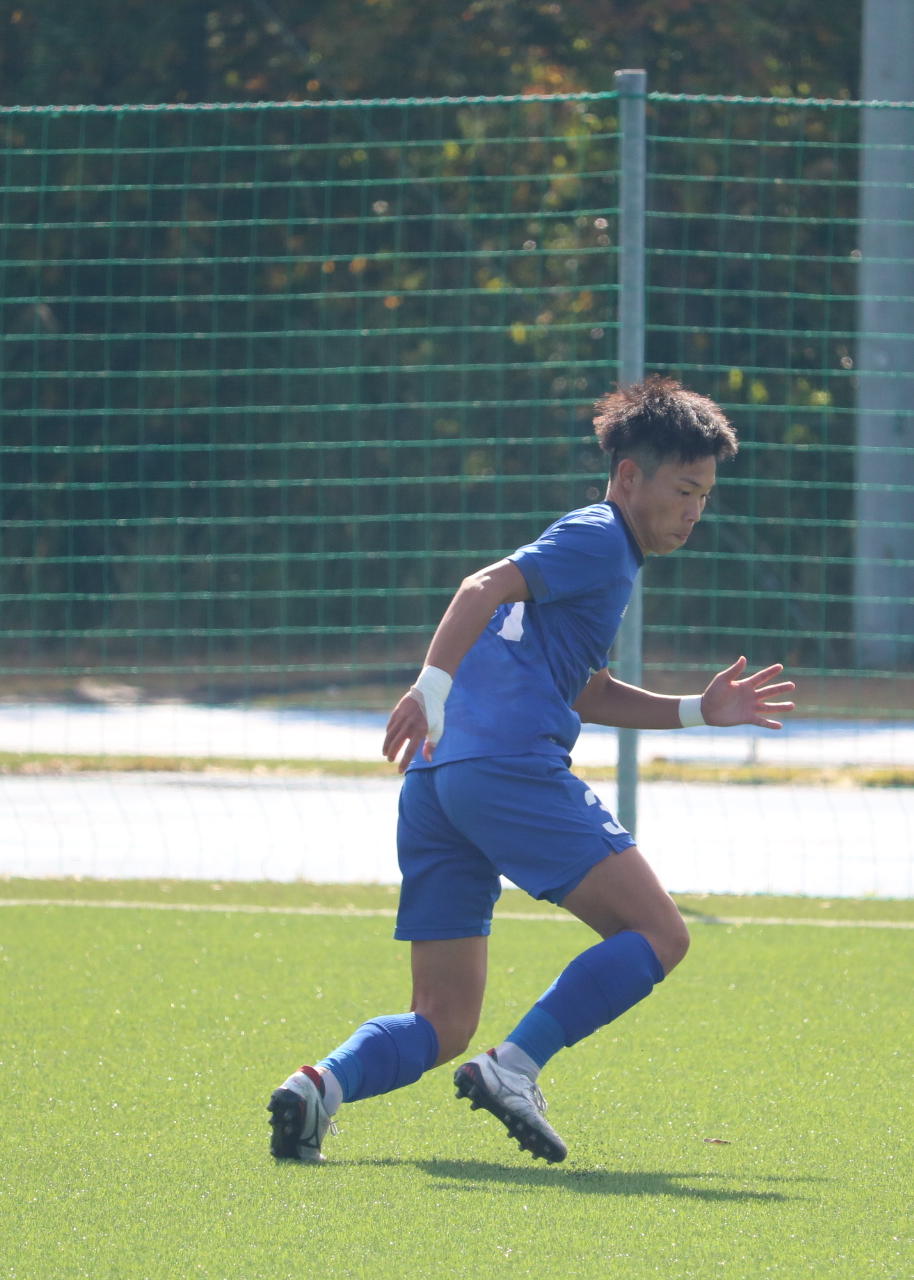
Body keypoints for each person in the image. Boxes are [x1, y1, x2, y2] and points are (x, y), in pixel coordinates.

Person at [267, 377, 795, 1164]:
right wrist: (429, 687)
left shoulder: (596, 555)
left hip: (439, 782)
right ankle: (514, 1067)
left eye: (705, 496)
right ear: (629, 478)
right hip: (506, 768)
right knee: (659, 933)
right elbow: (480, 585)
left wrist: (696, 710)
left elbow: (586, 689)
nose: (695, 511)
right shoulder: (600, 538)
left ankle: (318, 1087)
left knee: (443, 1017)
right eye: (684, 491)